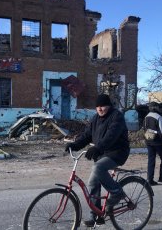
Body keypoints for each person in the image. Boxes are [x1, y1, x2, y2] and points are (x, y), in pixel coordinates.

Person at [65, 94, 130, 227]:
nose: (100, 109)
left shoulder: (116, 116)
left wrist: (97, 148)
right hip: (103, 153)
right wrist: (75, 145)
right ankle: (96, 215)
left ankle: (117, 192)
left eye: (103, 106)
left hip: (117, 152)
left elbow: (111, 136)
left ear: (109, 106)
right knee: (93, 183)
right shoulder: (95, 119)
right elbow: (87, 135)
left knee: (98, 168)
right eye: (98, 106)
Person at [142, 102, 162, 186]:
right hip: (158, 142)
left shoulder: (146, 117)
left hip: (149, 141)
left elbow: (144, 129)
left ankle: (150, 180)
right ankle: (161, 178)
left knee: (151, 160)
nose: (159, 108)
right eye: (157, 107)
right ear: (155, 108)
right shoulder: (159, 117)